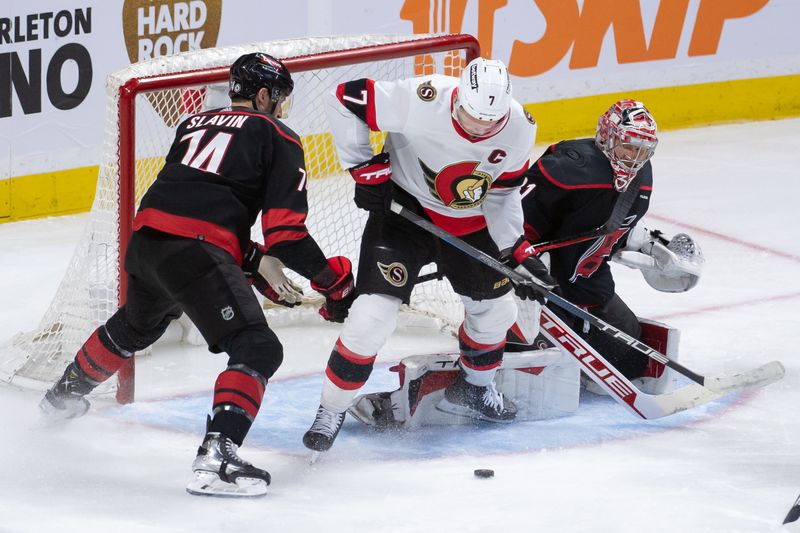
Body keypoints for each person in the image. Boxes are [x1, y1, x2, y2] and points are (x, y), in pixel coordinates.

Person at [38, 52, 356, 497]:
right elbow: (286, 235)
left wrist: (249, 259)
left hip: (147, 241)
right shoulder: (279, 135)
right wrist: (333, 282)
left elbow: (192, 201)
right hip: (196, 250)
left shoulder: (193, 123)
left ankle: (62, 397)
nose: (282, 109)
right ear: (264, 96)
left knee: (136, 325)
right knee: (258, 347)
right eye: (280, 98)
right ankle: (217, 456)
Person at [302, 56, 555, 455]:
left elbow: (503, 194)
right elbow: (345, 98)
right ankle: (330, 410)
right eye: (472, 117)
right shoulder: (424, 97)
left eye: (490, 123)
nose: (480, 128)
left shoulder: (521, 127)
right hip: (405, 216)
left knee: (498, 314)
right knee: (371, 318)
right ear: (457, 99)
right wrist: (363, 165)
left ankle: (473, 390)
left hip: (470, 225)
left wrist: (515, 248)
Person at [507, 99, 703, 382]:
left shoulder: (641, 178)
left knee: (628, 359)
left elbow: (613, 223)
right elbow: (512, 216)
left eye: (643, 150)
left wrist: (649, 244)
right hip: (541, 282)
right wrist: (519, 259)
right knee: (541, 355)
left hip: (588, 283)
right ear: (606, 136)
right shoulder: (566, 169)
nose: (635, 157)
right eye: (629, 146)